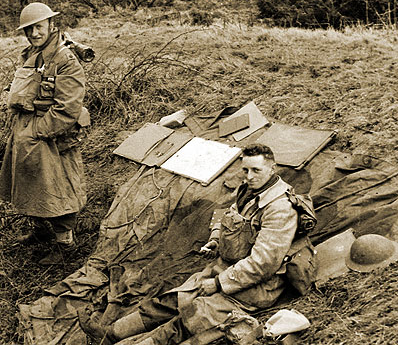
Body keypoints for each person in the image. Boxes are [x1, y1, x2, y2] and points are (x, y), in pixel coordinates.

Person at [78, 143, 299, 344]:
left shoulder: (280, 208)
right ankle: (108, 334)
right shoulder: (249, 190)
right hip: (227, 269)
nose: (249, 176)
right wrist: (215, 238)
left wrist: (219, 283)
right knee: (171, 300)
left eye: (256, 170)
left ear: (272, 169)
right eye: (245, 170)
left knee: (190, 320)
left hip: (254, 287)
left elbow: (264, 263)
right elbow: (227, 215)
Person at [0, 2, 88, 265]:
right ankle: (40, 231)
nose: (34, 33)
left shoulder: (65, 59)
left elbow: (68, 108)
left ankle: (65, 245)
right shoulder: (32, 54)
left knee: (59, 188)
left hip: (52, 135)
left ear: (51, 25)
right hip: (27, 129)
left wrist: (38, 133)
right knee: (30, 185)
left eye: (38, 27)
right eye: (29, 29)